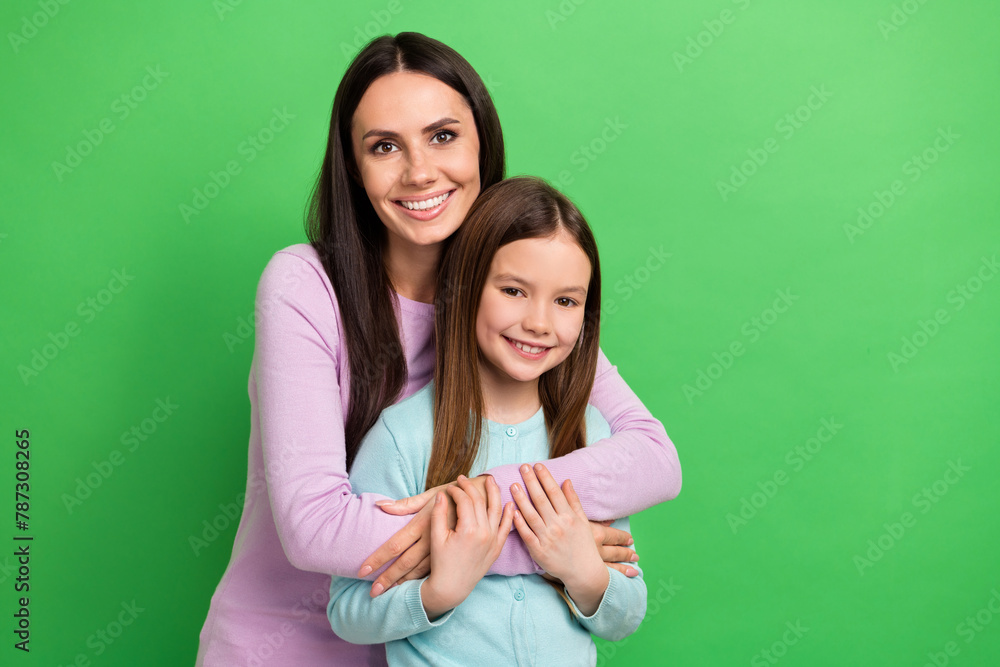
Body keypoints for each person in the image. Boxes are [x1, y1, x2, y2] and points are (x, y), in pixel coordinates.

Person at [196, 32, 680, 666]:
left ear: (483, 144)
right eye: (385, 146)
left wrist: (489, 502)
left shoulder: (514, 297)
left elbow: (653, 459)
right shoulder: (304, 283)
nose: (419, 171)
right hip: (288, 646)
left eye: (443, 135)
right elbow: (315, 528)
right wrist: (549, 540)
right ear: (353, 167)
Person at [328, 177, 647, 665]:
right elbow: (346, 610)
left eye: (566, 301)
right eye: (515, 290)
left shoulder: (594, 437)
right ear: (468, 287)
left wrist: (584, 572)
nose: (540, 322)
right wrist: (440, 591)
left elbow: (626, 614)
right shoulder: (402, 438)